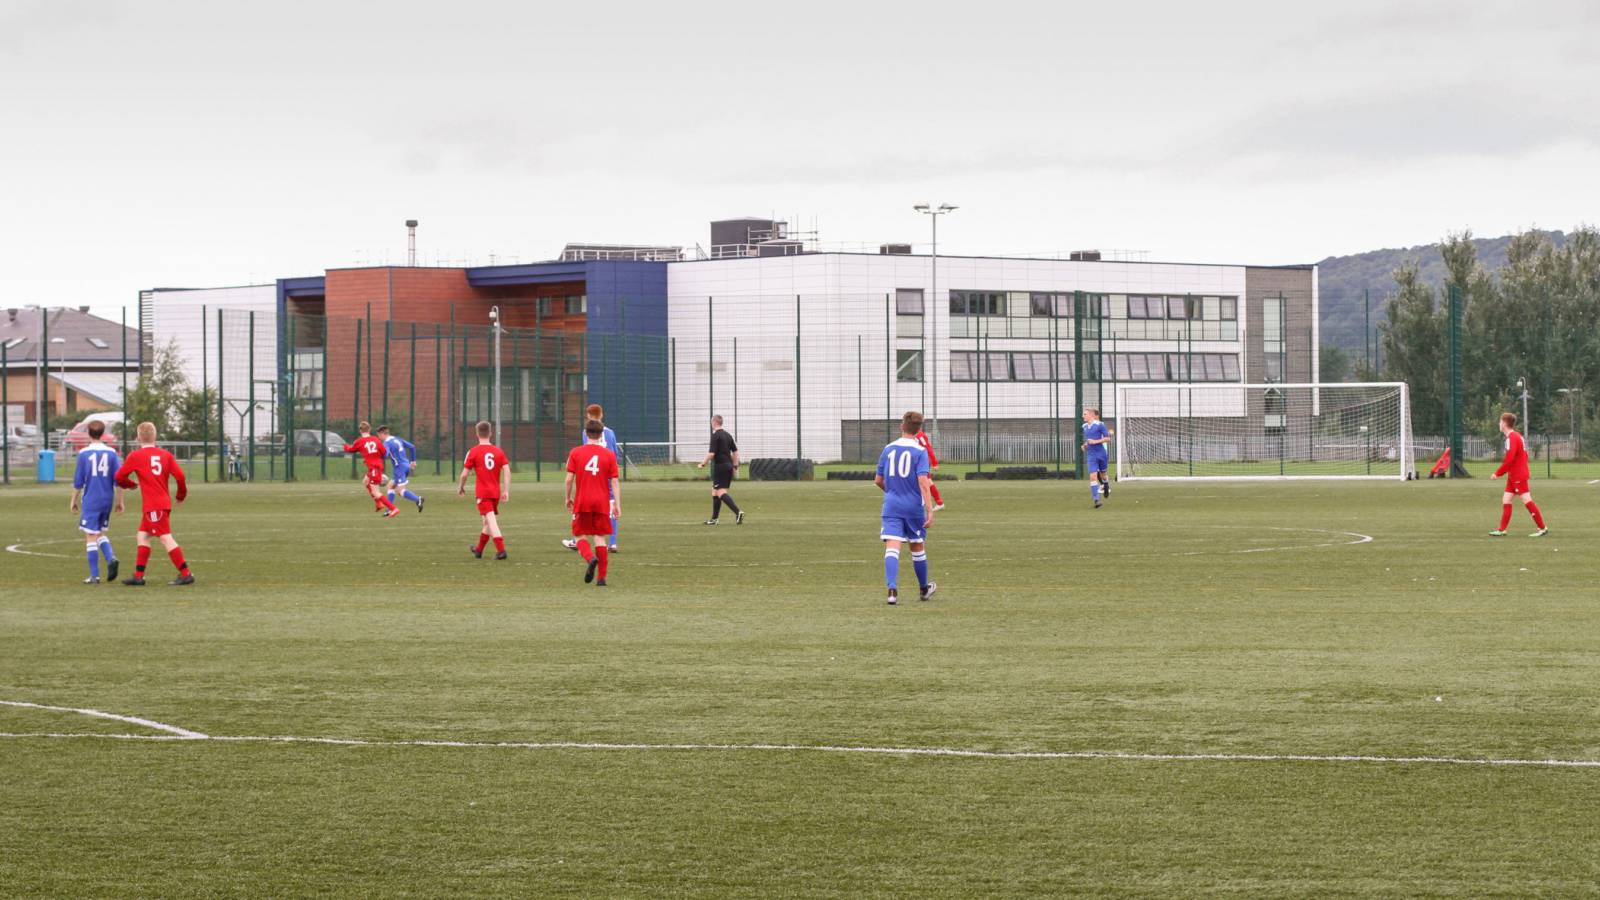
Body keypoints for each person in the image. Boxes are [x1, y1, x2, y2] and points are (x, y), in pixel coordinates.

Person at [113, 421, 195, 586]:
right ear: (155, 436)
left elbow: (119, 477)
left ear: (138, 438)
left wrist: (131, 485)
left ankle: (186, 574)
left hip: (154, 505)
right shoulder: (166, 455)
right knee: (142, 535)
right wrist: (181, 494)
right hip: (159, 504)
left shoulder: (135, 456)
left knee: (165, 538)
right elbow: (180, 477)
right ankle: (138, 576)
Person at [875, 411, 937, 606]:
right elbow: (923, 481)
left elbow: (878, 480)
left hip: (892, 505)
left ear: (902, 426)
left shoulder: (888, 449)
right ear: (919, 430)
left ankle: (892, 591)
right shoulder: (920, 451)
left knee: (892, 546)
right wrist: (929, 509)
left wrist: (892, 492)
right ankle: (923, 589)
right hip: (913, 507)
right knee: (917, 546)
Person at [565, 418, 621, 586]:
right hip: (602, 502)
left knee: (579, 534)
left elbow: (569, 479)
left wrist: (568, 498)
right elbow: (615, 482)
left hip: (583, 500)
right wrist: (617, 504)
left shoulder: (575, 452)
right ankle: (601, 579)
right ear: (601, 434)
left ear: (586, 433)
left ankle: (590, 559)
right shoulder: (609, 455)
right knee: (600, 537)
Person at [69, 419, 122, 584]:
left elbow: (78, 481)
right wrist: (120, 501)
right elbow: (119, 480)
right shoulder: (112, 453)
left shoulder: (84, 453)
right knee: (99, 532)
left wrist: (73, 500)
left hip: (91, 498)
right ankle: (110, 558)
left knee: (90, 535)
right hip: (107, 498)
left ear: (88, 434)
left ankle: (95, 575)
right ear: (103, 433)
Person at [1489, 412, 1547, 537]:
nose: (1499, 424)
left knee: (1526, 499)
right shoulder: (1516, 436)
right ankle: (1502, 529)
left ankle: (1542, 527)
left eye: (1500, 422)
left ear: (1504, 423)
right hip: (1514, 475)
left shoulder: (1512, 438)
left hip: (1518, 475)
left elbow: (1509, 458)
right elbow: (1522, 456)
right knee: (1506, 499)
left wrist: (1497, 473)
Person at [459, 420, 510, 559]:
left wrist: (461, 487)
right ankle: (479, 550)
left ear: (477, 434)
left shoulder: (473, 451)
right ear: (491, 433)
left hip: (483, 492)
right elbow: (506, 470)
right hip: (495, 492)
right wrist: (506, 490)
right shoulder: (498, 451)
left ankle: (501, 550)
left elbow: (464, 474)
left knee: (491, 521)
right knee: (487, 522)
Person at [697, 414, 744, 525]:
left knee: (720, 492)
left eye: (711, 423)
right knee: (714, 492)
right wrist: (735, 466)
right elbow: (736, 452)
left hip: (720, 467)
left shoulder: (715, 436)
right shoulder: (728, 435)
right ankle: (714, 519)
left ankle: (738, 512)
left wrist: (703, 464)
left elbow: (711, 453)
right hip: (728, 466)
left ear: (714, 422)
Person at [344, 422, 399, 518]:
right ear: (369, 430)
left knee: (375, 492)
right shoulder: (375, 439)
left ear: (360, 430)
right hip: (377, 466)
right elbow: (384, 452)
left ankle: (393, 509)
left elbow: (350, 450)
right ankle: (378, 504)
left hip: (374, 468)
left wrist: (345, 446)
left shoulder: (359, 441)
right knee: (365, 482)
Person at [377, 425, 424, 513]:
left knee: (401, 491)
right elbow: (412, 447)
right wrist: (413, 461)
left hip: (399, 468)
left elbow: (385, 454)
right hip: (406, 465)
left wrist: (378, 456)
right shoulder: (397, 439)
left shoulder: (386, 443)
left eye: (378, 435)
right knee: (390, 486)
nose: (378, 438)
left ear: (382, 433)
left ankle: (418, 499)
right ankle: (389, 510)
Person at [1081, 408, 1112, 508]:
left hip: (1101, 454)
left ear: (1091, 415)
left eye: (1085, 414)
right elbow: (1088, 440)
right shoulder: (1084, 426)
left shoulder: (1100, 425)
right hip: (1091, 455)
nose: (1083, 416)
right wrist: (1085, 445)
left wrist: (1095, 442)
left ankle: (1106, 485)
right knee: (1093, 477)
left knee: (1103, 474)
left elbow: (1108, 439)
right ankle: (1096, 500)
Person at [912, 426, 945, 511]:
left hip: (923, 462)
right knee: (923, 481)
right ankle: (938, 502)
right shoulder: (912, 435)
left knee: (926, 481)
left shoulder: (920, 436)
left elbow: (928, 448)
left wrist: (935, 463)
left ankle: (939, 502)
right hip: (917, 461)